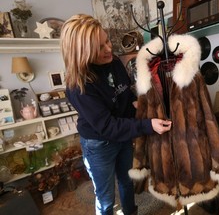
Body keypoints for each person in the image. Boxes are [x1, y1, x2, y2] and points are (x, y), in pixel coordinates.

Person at [60, 14, 172, 215]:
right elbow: (108, 126)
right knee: (105, 198)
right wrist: (148, 125)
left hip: (123, 136)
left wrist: (136, 104)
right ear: (82, 53)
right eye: (100, 48)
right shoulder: (77, 86)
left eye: (107, 41)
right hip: (99, 144)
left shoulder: (114, 63)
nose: (109, 49)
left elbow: (124, 94)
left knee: (127, 182)